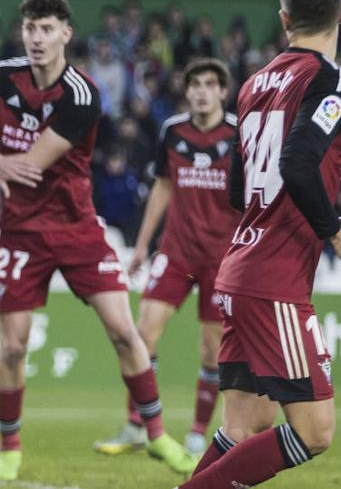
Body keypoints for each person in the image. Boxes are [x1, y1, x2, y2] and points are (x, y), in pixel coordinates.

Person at [0, 0, 194, 481]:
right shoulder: (2, 76)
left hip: (77, 228)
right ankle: (10, 448)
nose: (37, 39)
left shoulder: (82, 94)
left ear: (66, 33)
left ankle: (156, 435)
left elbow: (30, 167)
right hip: (20, 232)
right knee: (13, 348)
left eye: (47, 30)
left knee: (124, 333)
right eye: (30, 29)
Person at [180, 0, 341, 488]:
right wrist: (337, 239)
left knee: (244, 425)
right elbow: (297, 164)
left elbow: (241, 191)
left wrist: (325, 215)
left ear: (283, 17)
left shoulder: (254, 83)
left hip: (240, 268)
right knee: (314, 432)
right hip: (275, 281)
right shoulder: (334, 78)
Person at [95, 59, 239, 457]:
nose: (201, 91)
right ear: (187, 90)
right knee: (141, 335)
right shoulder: (173, 131)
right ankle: (137, 424)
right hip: (175, 251)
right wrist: (142, 245)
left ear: (223, 92)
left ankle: (196, 432)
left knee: (212, 350)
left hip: (221, 258)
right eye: (195, 83)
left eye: (210, 84)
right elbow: (161, 188)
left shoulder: (239, 134)